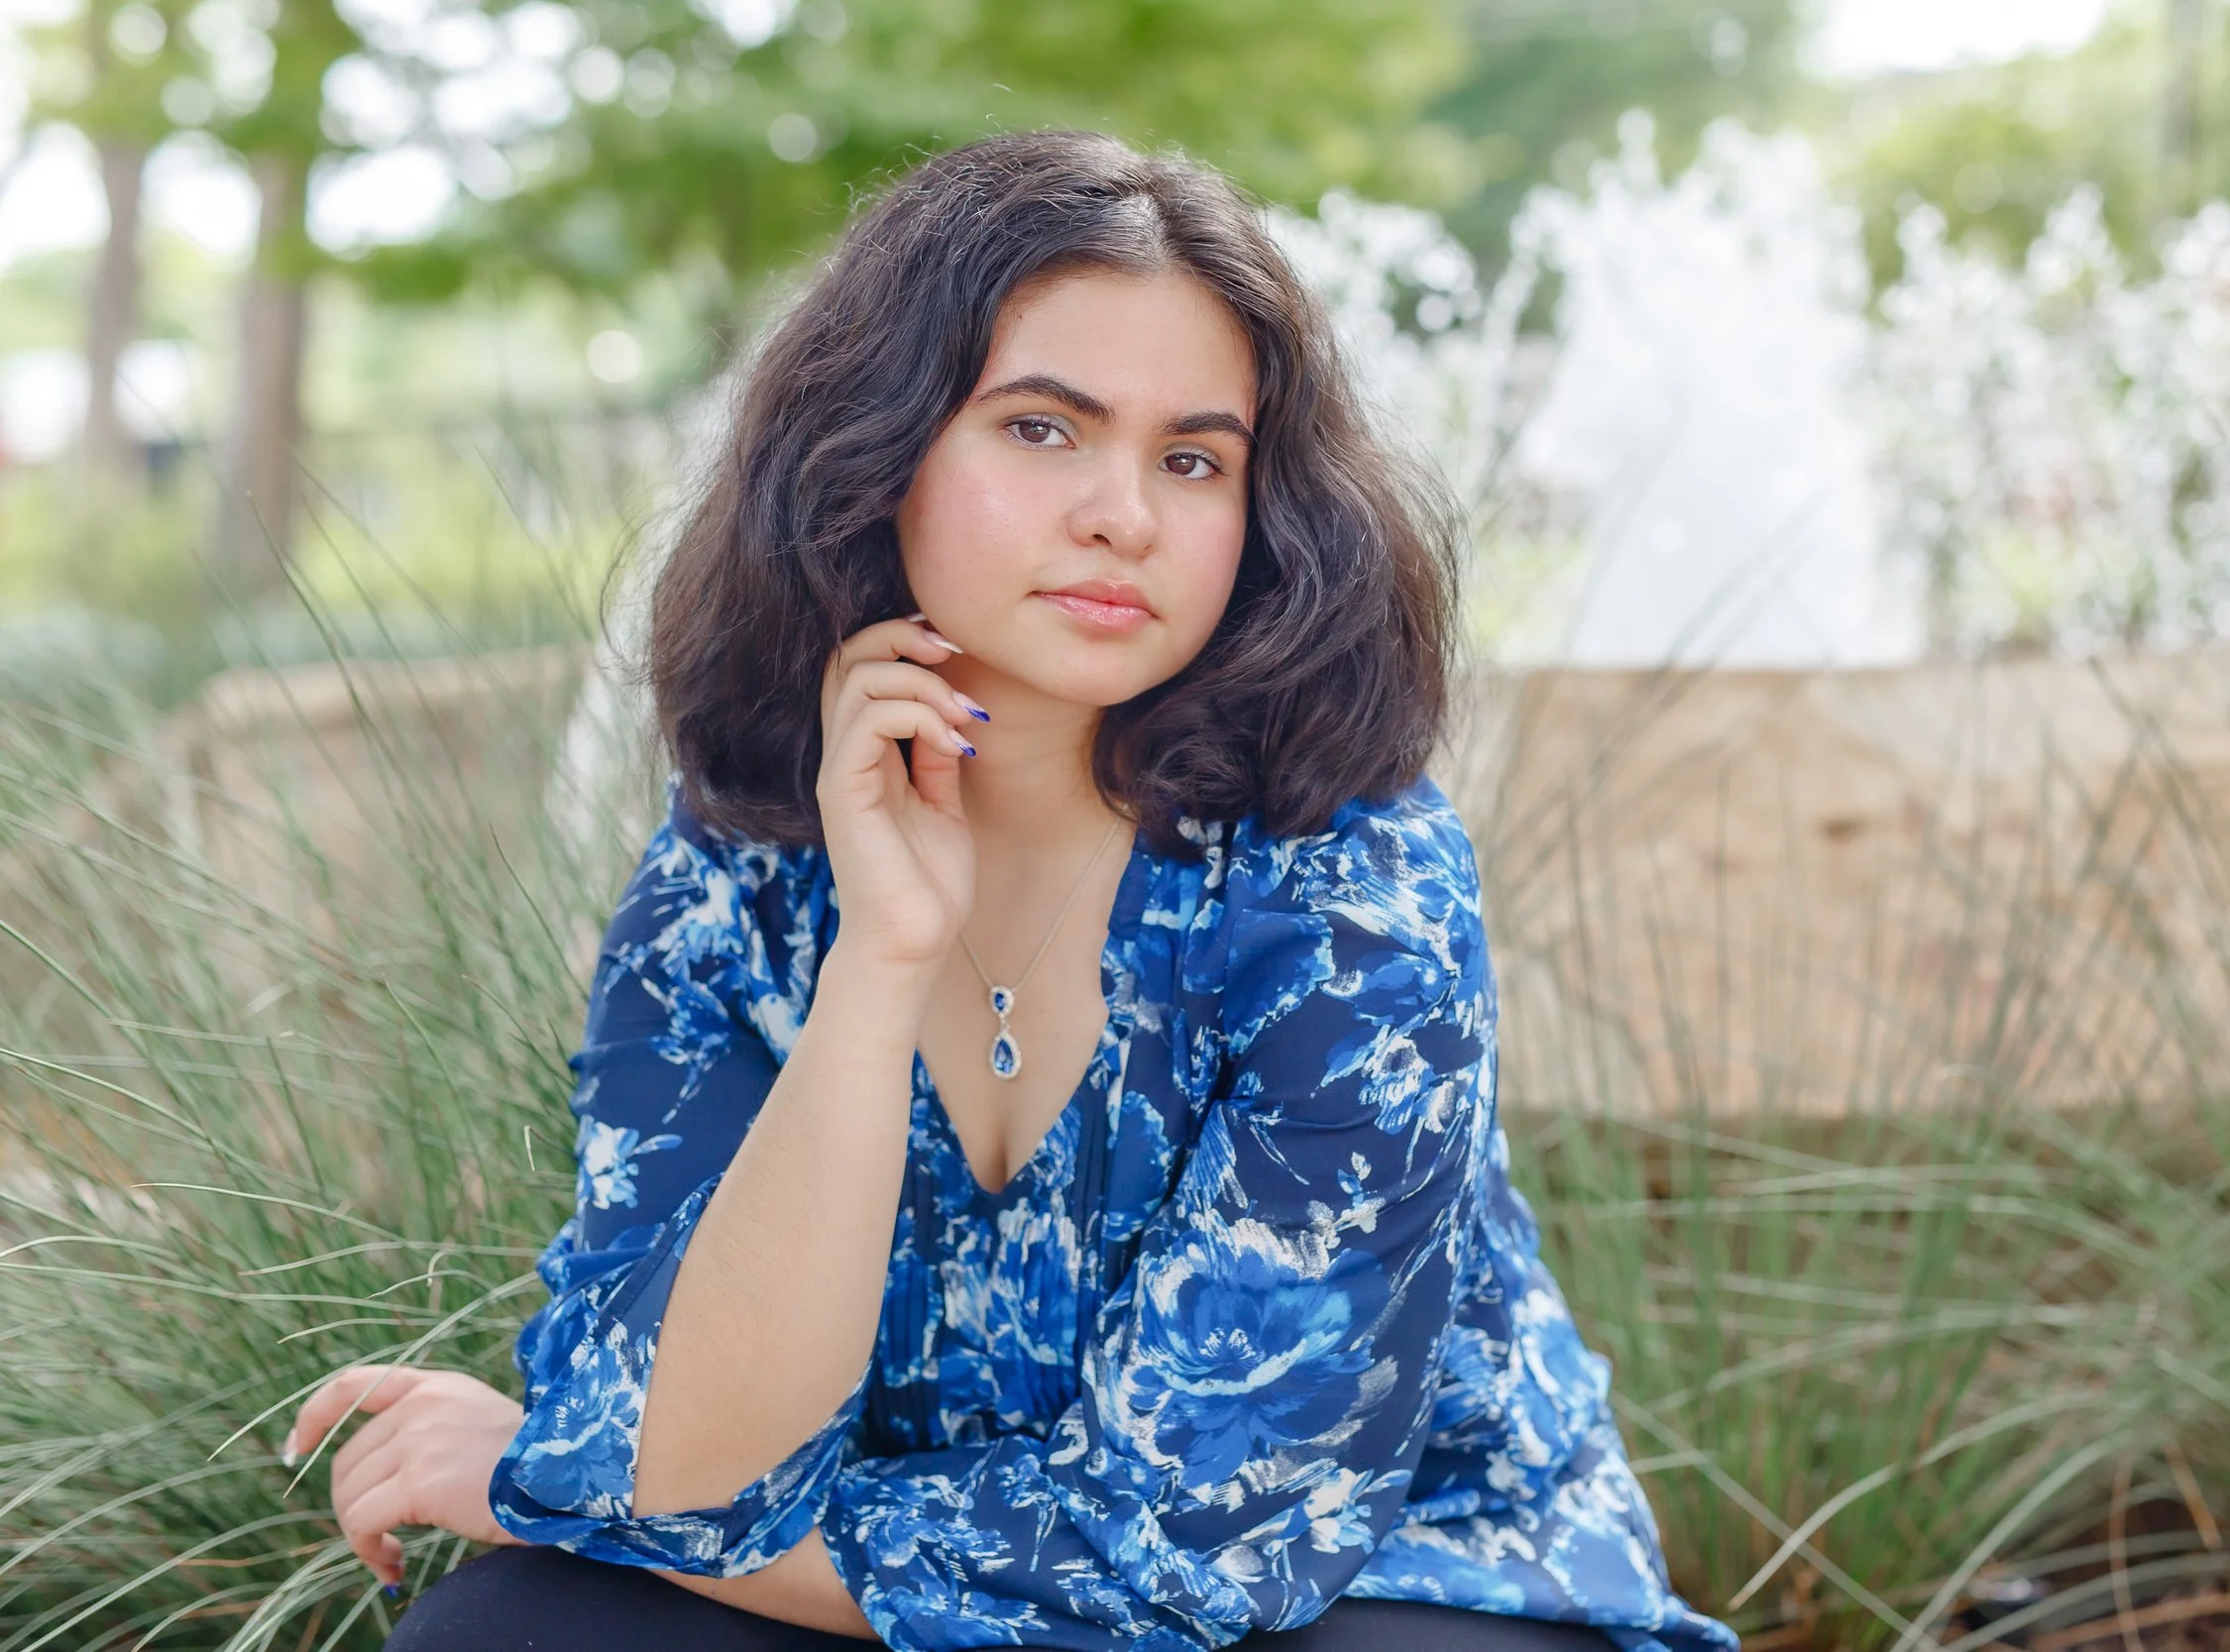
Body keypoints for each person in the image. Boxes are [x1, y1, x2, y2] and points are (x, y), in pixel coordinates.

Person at [282, 130, 1740, 1652]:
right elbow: (692, 1468)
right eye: (1044, 429)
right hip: (939, 1566)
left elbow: (1185, 1551)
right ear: (875, 450)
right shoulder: (737, 878)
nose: (1126, 513)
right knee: (517, 1637)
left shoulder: (1345, 884)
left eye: (1195, 458)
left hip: (1377, 1592)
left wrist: (554, 1482)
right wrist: (878, 958)